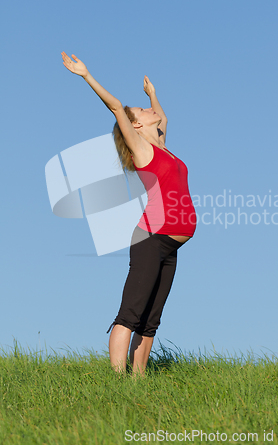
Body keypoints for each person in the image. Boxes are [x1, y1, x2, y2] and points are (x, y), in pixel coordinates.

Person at [61, 52, 197, 375]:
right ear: (135, 124)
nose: (151, 112)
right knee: (131, 312)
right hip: (150, 238)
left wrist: (153, 96)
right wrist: (86, 75)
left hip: (171, 244)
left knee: (152, 319)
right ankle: (116, 380)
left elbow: (164, 119)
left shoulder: (164, 147)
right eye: (143, 111)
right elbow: (116, 106)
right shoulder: (142, 150)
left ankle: (137, 383)